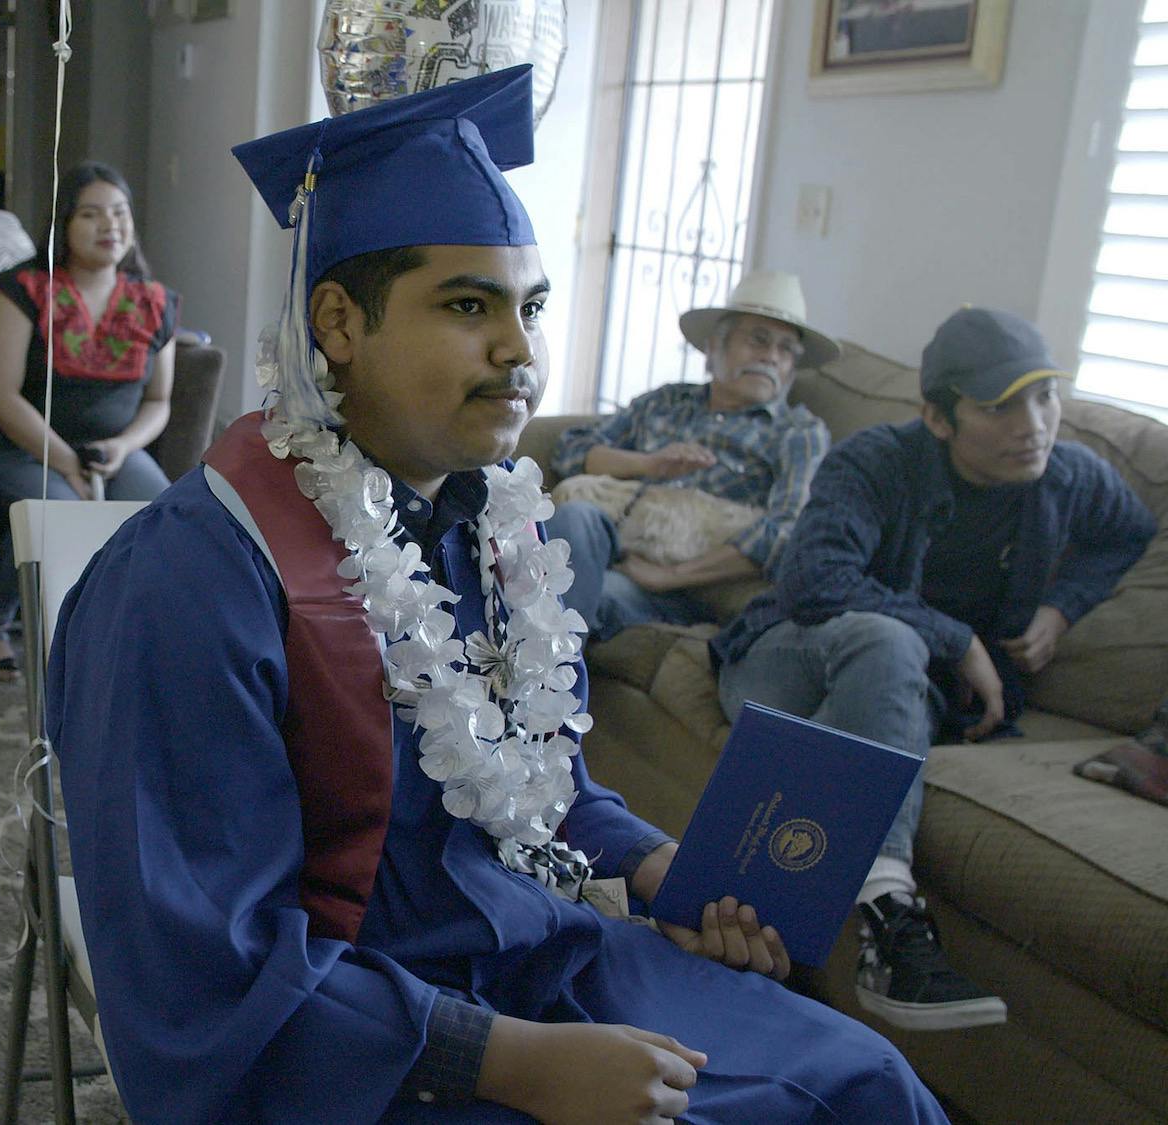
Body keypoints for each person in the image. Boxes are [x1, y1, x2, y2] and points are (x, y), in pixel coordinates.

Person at [47, 67, 945, 1123]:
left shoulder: (489, 527)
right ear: (335, 320)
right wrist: (507, 1062)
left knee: (869, 1083)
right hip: (354, 1027)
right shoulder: (189, 583)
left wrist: (653, 865)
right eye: (468, 307)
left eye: (530, 307)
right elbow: (198, 960)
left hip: (538, 952)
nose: (521, 350)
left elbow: (529, 775)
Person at [712, 306, 1155, 1033]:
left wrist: (1064, 607)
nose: (1033, 423)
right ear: (939, 417)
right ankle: (890, 911)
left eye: (1044, 396)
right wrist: (959, 639)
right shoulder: (877, 460)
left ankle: (761, 945)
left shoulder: (1068, 478)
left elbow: (1129, 531)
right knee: (890, 642)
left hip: (903, 703)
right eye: (999, 406)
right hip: (790, 661)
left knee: (857, 732)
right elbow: (813, 580)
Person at [0, 161, 179, 682]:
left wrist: (125, 447)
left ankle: (129, 635)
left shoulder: (154, 300)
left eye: (119, 213)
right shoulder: (19, 291)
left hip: (112, 452)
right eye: (90, 214)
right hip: (23, 447)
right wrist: (64, 463)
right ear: (62, 224)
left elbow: (159, 402)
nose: (110, 225)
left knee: (169, 517)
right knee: (61, 515)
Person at [545, 272, 834, 638]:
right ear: (715, 347)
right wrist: (648, 464)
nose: (771, 358)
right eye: (758, 341)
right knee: (573, 519)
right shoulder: (668, 401)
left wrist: (670, 576)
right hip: (615, 541)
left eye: (786, 350)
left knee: (594, 594)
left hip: (683, 588)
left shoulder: (798, 433)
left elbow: (789, 529)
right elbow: (571, 449)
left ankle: (533, 685)